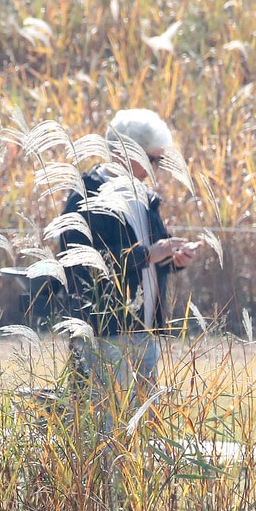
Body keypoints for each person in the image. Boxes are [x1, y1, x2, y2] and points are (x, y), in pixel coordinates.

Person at [57, 108, 197, 410]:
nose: (156, 167)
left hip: (144, 331)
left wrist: (173, 259)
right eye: (152, 158)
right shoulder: (86, 194)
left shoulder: (144, 196)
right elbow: (81, 261)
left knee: (145, 421)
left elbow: (151, 254)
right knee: (106, 420)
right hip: (105, 331)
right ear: (124, 152)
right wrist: (148, 254)